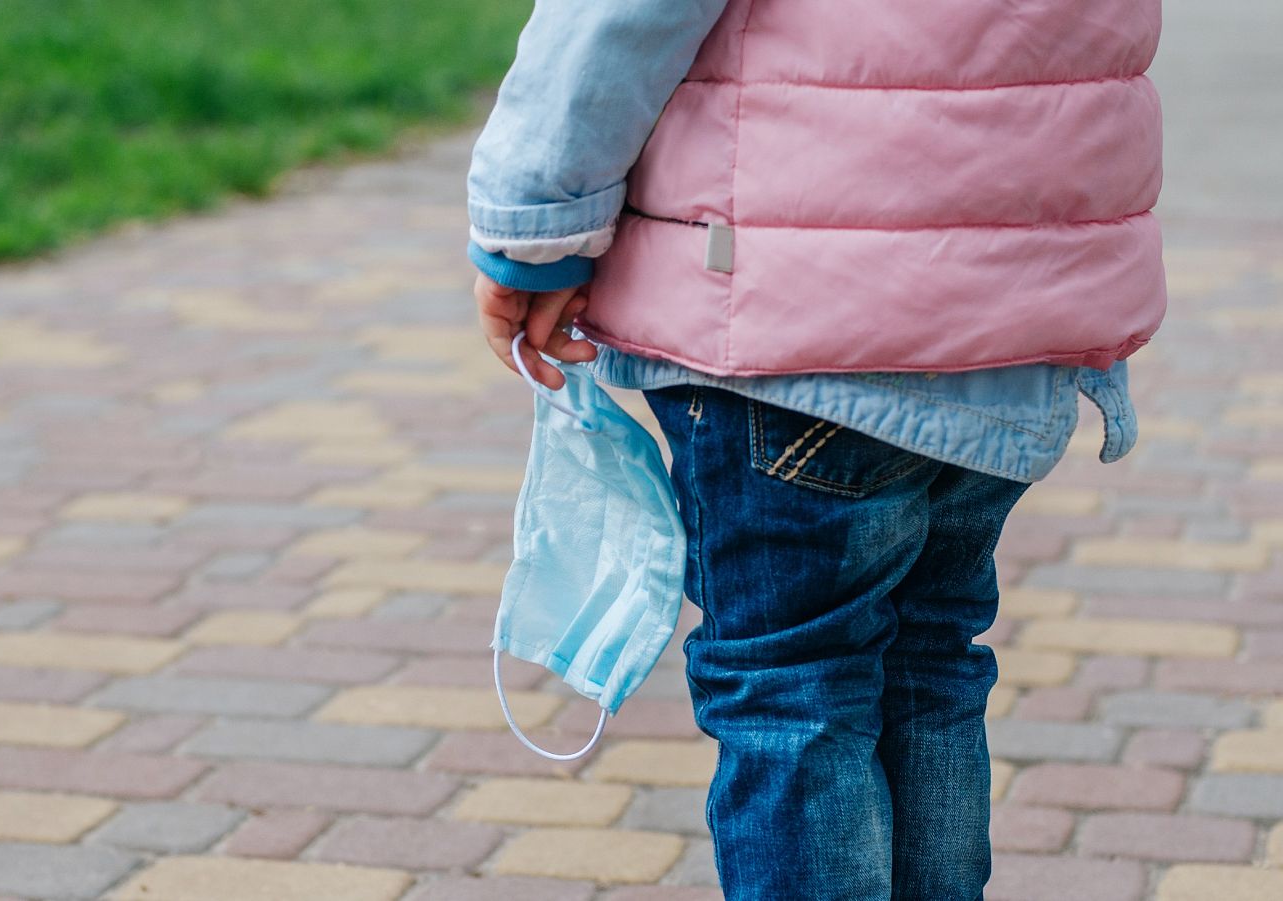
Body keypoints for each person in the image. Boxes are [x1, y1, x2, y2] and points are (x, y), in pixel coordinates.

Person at [466, 1, 1166, 899]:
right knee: (928, 665)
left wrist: (533, 222)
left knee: (794, 690)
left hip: (789, 324)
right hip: (1015, 313)